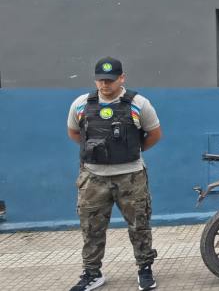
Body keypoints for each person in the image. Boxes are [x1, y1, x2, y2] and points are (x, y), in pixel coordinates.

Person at [67, 57, 162, 291]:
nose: (105, 84)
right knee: (91, 227)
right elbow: (74, 133)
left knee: (139, 225)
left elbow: (154, 134)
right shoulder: (81, 104)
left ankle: (144, 270)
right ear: (95, 80)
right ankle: (92, 273)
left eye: (110, 80)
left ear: (122, 78)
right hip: (93, 177)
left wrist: (129, 152)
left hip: (131, 176)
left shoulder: (138, 103)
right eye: (100, 80)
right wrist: (99, 153)